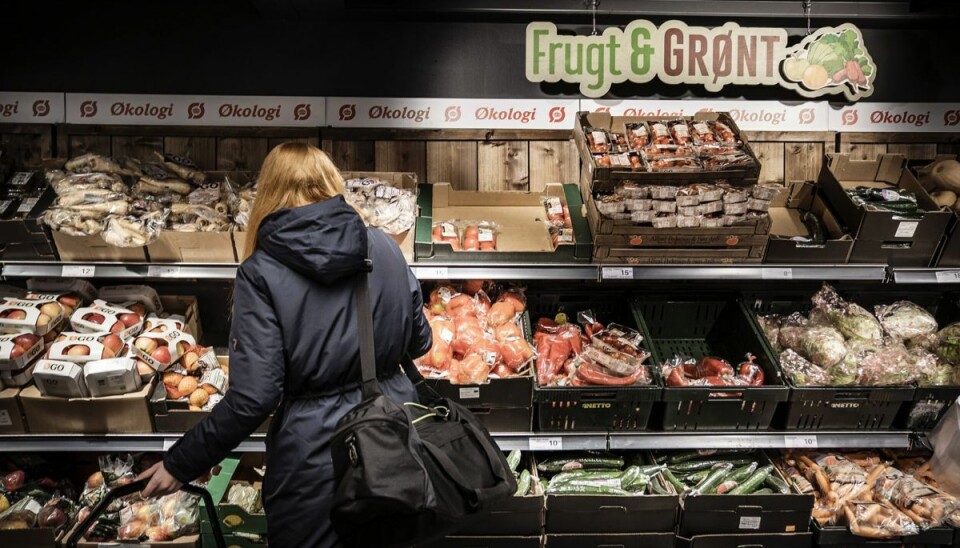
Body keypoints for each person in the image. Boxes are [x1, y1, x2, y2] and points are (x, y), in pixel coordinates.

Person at [137, 142, 432, 548]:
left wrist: (181, 462)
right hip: (394, 435)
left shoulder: (260, 271)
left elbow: (254, 398)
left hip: (316, 457)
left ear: (268, 194)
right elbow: (420, 341)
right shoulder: (383, 246)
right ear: (333, 183)